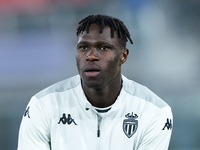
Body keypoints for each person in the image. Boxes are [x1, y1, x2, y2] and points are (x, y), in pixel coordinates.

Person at [17, 14, 173, 150]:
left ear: (123, 56)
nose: (91, 56)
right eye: (83, 47)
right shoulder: (43, 105)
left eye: (103, 48)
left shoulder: (154, 111)